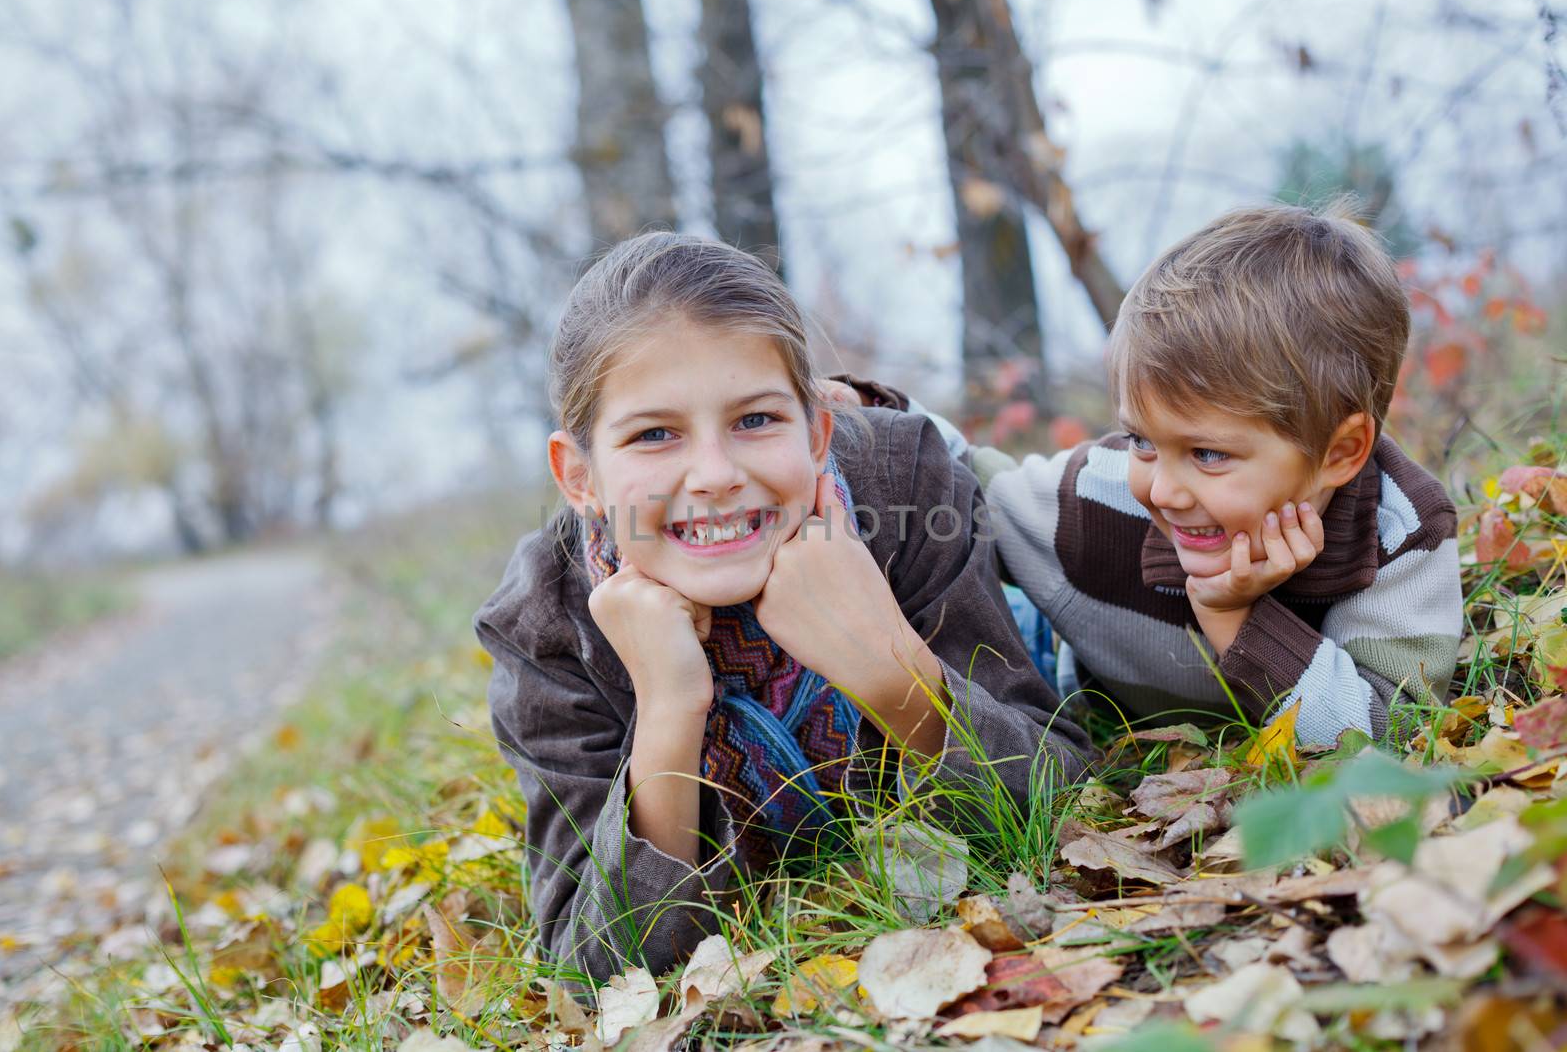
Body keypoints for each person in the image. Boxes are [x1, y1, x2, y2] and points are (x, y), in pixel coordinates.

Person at [472, 232, 1093, 984]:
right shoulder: (544, 624)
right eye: (654, 434)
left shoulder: (906, 488)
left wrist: (892, 671)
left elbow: (1068, 807)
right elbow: (592, 966)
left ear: (817, 427)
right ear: (580, 477)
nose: (715, 474)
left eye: (756, 420)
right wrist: (669, 711)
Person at [838, 201, 1463, 747]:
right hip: (1056, 656)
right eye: (1142, 440)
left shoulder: (1400, 537)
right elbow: (970, 479)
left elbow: (1385, 739)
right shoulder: (1104, 495)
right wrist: (871, 412)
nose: (1161, 491)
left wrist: (1237, 618)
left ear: (1340, 453)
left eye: (1209, 455)